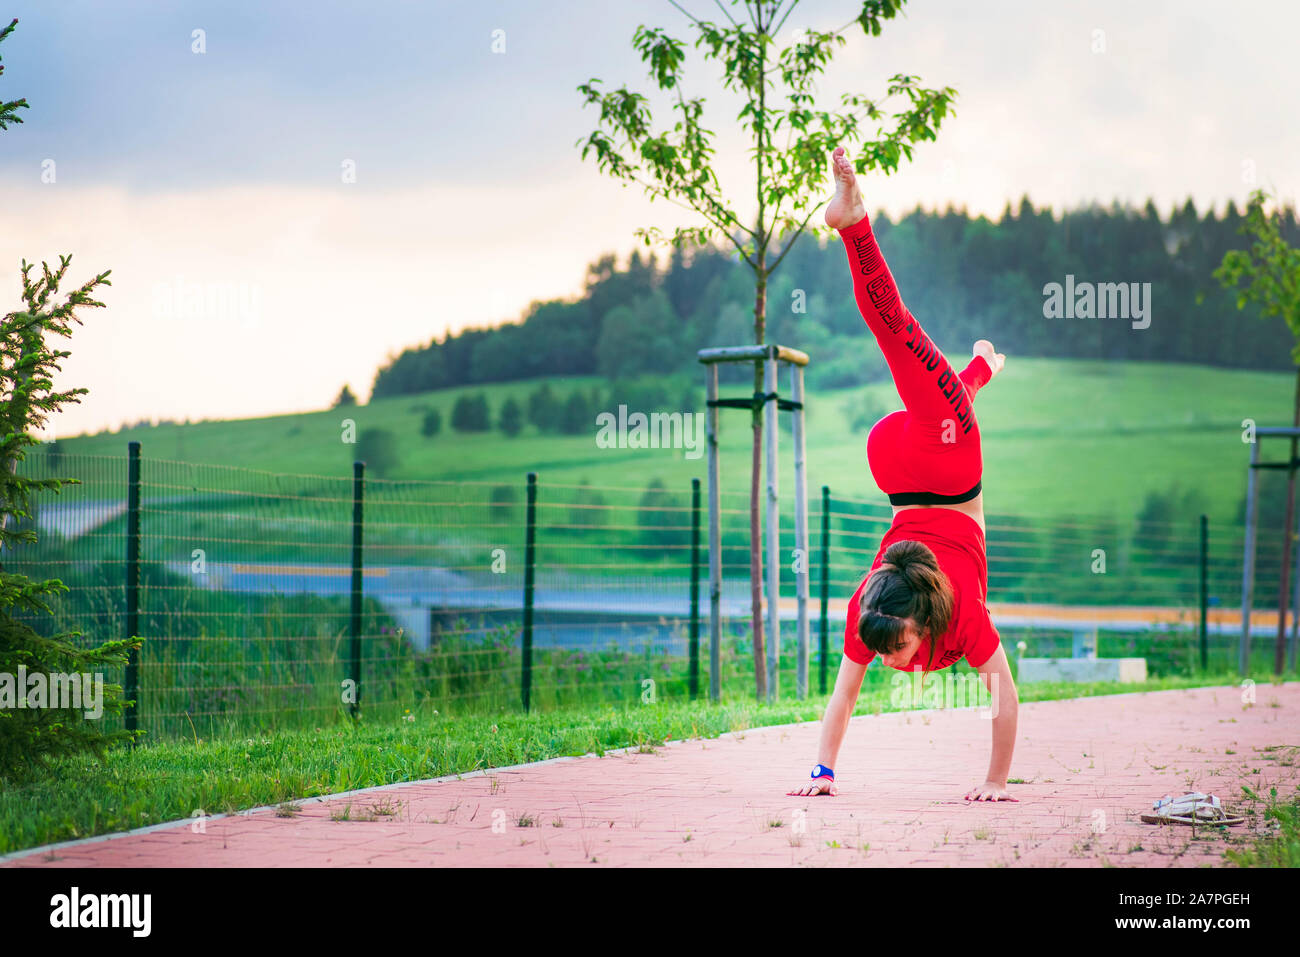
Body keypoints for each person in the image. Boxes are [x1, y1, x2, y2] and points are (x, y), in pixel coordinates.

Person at [787, 146, 1019, 802]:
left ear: (915, 621)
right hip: (945, 461)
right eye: (889, 650)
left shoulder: (886, 601)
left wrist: (995, 782)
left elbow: (1000, 694)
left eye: (893, 649)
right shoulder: (929, 612)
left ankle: (853, 222)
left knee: (898, 333)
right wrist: (822, 775)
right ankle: (976, 373)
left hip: (902, 468)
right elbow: (845, 693)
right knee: (941, 401)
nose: (888, 660)